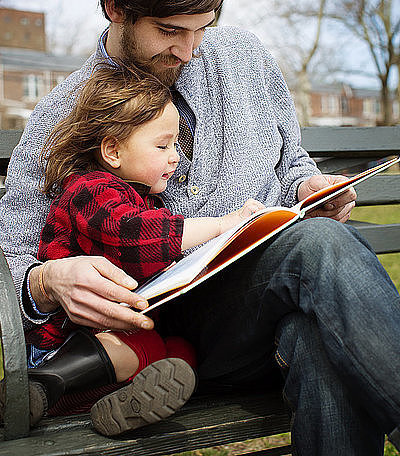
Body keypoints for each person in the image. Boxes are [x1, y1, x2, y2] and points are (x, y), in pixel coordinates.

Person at [0, 0, 399, 455]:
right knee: (321, 256)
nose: (189, 50)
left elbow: (292, 164)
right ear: (114, 6)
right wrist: (47, 282)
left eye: (202, 28)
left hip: (260, 313)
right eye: (169, 30)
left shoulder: (246, 60)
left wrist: (309, 189)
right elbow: (14, 249)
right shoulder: (63, 114)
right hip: (154, 344)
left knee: (316, 327)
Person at [8, 64, 265, 436]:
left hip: (117, 338)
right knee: (145, 342)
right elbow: (134, 235)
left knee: (180, 351)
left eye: (175, 144)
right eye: (162, 146)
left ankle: (116, 405)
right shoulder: (91, 190)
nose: (175, 156)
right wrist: (225, 224)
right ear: (113, 150)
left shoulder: (143, 200)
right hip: (66, 342)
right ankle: (41, 387)